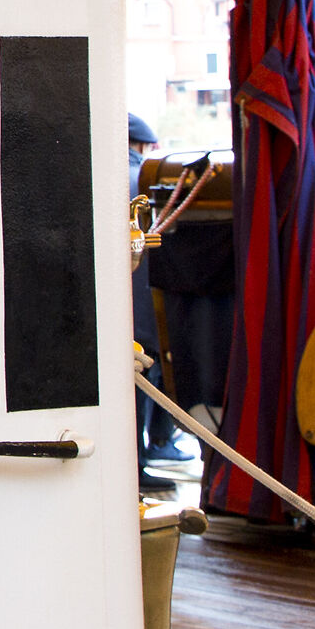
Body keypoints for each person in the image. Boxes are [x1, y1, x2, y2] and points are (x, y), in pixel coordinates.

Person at [130, 114, 197, 488]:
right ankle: (145, 455)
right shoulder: (141, 180)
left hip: (131, 295)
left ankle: (147, 451)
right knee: (144, 368)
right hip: (148, 295)